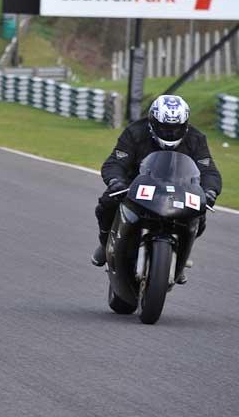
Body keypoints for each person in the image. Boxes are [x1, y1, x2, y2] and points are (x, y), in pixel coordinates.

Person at [91, 95, 221, 281]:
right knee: (107, 203)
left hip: (180, 190)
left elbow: (209, 171)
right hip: (136, 186)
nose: (170, 133)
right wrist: (116, 181)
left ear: (185, 125)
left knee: (199, 215)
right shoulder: (135, 132)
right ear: (152, 122)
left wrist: (210, 191)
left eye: (176, 128)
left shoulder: (195, 138)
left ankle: (179, 257)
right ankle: (105, 244)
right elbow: (115, 162)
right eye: (165, 128)